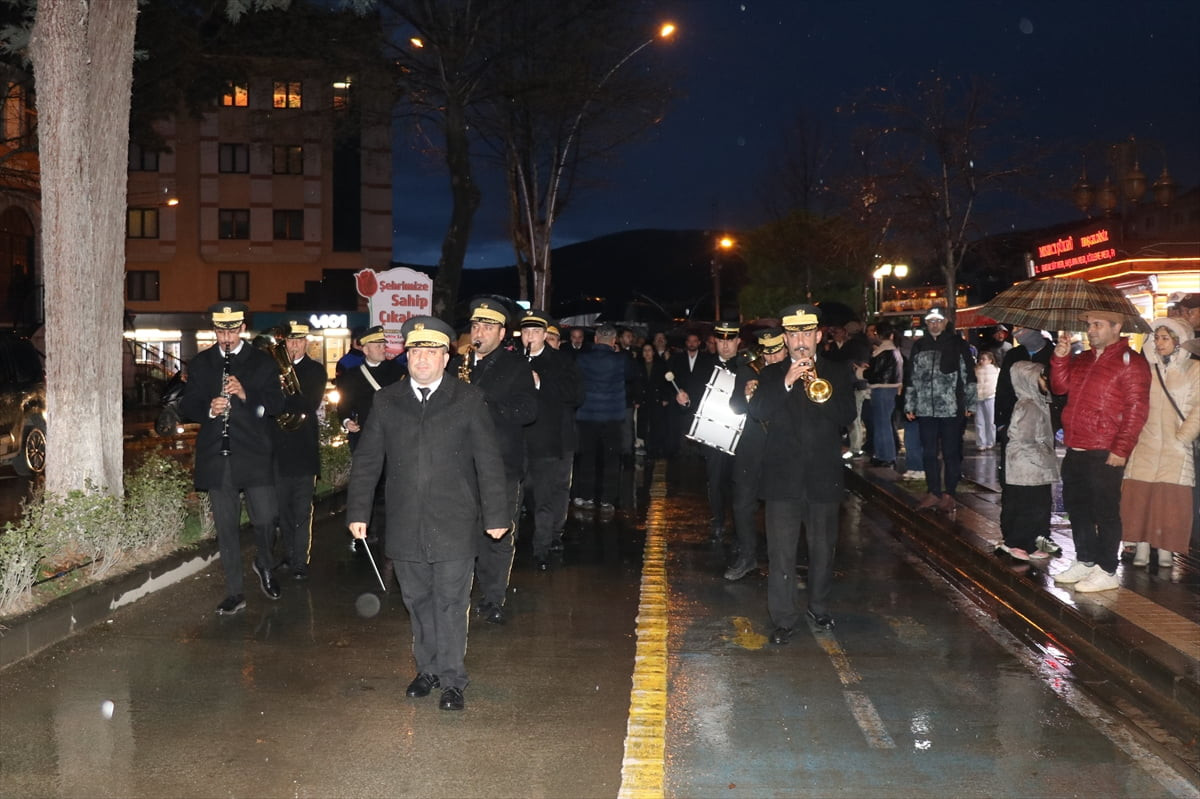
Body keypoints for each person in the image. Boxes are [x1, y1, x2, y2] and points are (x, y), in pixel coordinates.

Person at [346, 316, 509, 712]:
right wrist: (358, 511)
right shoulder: (386, 401)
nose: (422, 359)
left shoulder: (466, 399)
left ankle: (453, 680)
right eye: (415, 351)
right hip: (404, 522)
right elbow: (368, 461)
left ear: (444, 357)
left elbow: (488, 461)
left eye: (431, 351)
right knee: (417, 600)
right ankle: (428, 670)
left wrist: (496, 515)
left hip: (454, 521)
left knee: (451, 603)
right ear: (407, 357)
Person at [747, 304, 855, 641]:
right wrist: (787, 382)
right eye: (794, 334)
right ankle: (783, 618)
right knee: (781, 553)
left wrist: (822, 393)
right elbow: (758, 411)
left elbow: (846, 415)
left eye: (807, 333)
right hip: (783, 480)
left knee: (823, 549)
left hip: (823, 476)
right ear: (785, 338)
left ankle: (819, 608)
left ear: (818, 336)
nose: (801, 341)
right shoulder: (769, 374)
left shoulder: (837, 372)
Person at [180, 303, 285, 615]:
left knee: (266, 519)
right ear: (214, 329)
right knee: (226, 528)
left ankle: (264, 561)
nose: (226, 336)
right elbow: (187, 407)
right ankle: (235, 592)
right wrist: (210, 410)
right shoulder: (202, 363)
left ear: (242, 328)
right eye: (220, 330)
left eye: (231, 329)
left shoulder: (262, 363)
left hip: (254, 453)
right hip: (218, 455)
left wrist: (244, 394)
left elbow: (276, 406)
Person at [1051, 310, 1150, 593]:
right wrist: (1060, 357)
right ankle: (1085, 559)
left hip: (1105, 449)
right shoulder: (1082, 359)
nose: (1091, 330)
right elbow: (1060, 387)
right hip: (1076, 445)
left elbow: (1137, 409)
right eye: (1088, 325)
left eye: (1097, 325)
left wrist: (1121, 448)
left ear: (1117, 326)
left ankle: (1107, 569)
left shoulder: (1131, 362)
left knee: (1105, 511)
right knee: (1077, 507)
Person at [459, 298, 537, 625]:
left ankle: (493, 598)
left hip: (501, 464)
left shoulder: (516, 365)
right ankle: (463, 591)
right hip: (461, 465)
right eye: (476, 326)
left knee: (499, 532)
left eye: (488, 327)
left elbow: (528, 411)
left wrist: (483, 402)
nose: (479, 332)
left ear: (502, 333)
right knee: (466, 532)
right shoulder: (457, 364)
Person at [1120, 317, 1199, 569]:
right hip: (1146, 443)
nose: (1159, 343)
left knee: (1170, 500)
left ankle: (1166, 548)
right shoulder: (1145, 369)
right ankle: (1141, 545)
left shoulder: (1194, 370)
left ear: (1178, 342)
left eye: (1165, 338)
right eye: (1157, 338)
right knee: (1141, 498)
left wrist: (1183, 437)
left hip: (1176, 446)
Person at [520, 309, 582, 570]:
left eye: (535, 332)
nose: (530, 337)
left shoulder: (561, 361)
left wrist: (540, 383)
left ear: (545, 335)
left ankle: (542, 548)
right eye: (526, 332)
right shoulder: (513, 360)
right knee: (516, 498)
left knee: (546, 497)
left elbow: (575, 395)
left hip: (548, 440)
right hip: (518, 441)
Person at [724, 327, 787, 580]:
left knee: (781, 506)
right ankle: (747, 557)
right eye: (767, 353)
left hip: (782, 446)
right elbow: (735, 407)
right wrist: (747, 392)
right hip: (752, 445)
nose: (771, 358)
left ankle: (781, 562)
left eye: (777, 352)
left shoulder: (793, 372)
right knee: (742, 504)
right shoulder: (749, 370)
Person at [270, 321, 328, 581]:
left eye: (299, 341)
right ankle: (288, 554)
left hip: (303, 450)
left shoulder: (315, 370)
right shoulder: (272, 369)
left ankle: (299, 561)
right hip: (278, 450)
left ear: (306, 343)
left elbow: (308, 402)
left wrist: (282, 399)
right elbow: (267, 403)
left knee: (302, 510)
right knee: (282, 510)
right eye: (290, 341)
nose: (294, 345)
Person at [680, 320, 747, 540]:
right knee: (716, 481)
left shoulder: (749, 367)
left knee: (740, 483)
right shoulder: (703, 366)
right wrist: (684, 400)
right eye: (721, 341)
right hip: (713, 436)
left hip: (742, 438)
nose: (725, 346)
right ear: (714, 341)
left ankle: (740, 526)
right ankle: (718, 520)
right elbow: (694, 399)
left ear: (738, 341)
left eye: (730, 341)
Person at [904, 307, 976, 513]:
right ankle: (933, 491)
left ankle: (949, 493)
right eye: (930, 321)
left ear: (946, 322)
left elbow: (969, 375)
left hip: (952, 408)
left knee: (951, 452)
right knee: (928, 452)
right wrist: (910, 404)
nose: (934, 324)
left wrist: (970, 404)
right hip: (926, 408)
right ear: (926, 323)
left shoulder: (958, 345)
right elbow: (912, 377)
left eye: (938, 320)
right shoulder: (919, 346)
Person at [995, 362, 1059, 561]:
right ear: (1028, 380)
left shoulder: (1039, 402)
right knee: (1026, 506)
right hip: (1027, 467)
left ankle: (1032, 542)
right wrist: (1043, 451)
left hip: (1036, 468)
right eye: (1041, 378)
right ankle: (1016, 542)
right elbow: (1022, 438)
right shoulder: (1028, 405)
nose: (1046, 381)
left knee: (1039, 506)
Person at [574, 324, 633, 511]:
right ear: (614, 341)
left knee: (587, 457)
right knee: (611, 459)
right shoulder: (621, 360)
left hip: (587, 415)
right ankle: (607, 499)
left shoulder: (582, 359)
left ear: (596, 339)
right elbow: (633, 375)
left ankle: (586, 496)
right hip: (612, 416)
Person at [865, 321, 903, 469]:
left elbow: (874, 373)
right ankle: (883, 455)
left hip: (882, 389)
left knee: (882, 424)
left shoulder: (884, 352)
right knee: (884, 423)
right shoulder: (894, 351)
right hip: (889, 389)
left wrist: (861, 372)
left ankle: (886, 456)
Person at [635, 342, 670, 458]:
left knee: (657, 424)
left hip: (657, 398)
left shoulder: (660, 365)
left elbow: (666, 383)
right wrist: (637, 400)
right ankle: (646, 447)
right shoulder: (639, 366)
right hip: (644, 399)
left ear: (653, 352)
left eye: (649, 350)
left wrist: (665, 398)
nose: (647, 353)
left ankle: (656, 448)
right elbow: (636, 384)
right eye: (645, 350)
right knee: (644, 424)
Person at [974, 350, 1000, 450]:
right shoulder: (976, 369)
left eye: (984, 359)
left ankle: (990, 441)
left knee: (991, 421)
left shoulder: (997, 370)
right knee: (979, 421)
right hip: (979, 397)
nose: (981, 361)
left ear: (990, 360)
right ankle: (981, 442)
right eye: (980, 359)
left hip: (991, 396)